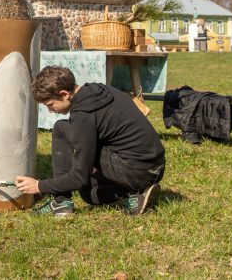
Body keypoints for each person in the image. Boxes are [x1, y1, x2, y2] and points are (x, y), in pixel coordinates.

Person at [15, 66, 165, 217]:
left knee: (85, 187)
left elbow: (79, 177)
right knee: (61, 129)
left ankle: (136, 190)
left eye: (50, 105)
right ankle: (138, 190)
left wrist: (39, 186)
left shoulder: (83, 115)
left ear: (65, 94)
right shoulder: (98, 90)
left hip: (137, 171)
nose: (50, 111)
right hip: (156, 165)